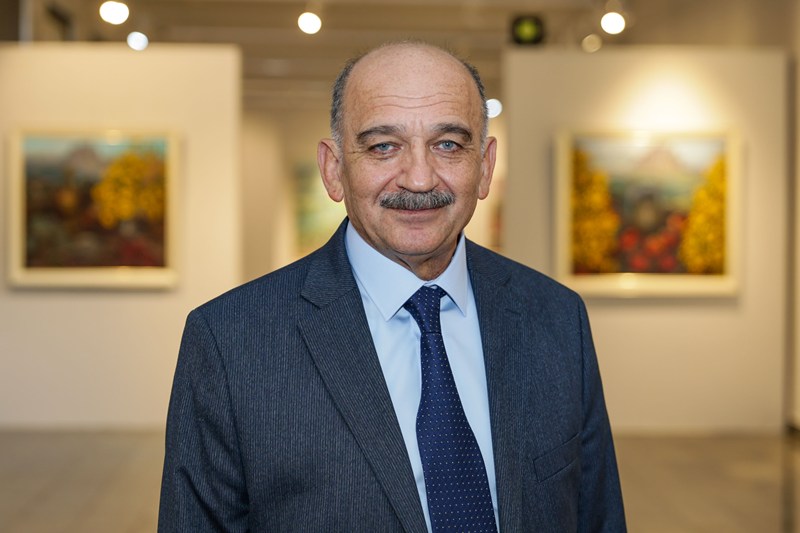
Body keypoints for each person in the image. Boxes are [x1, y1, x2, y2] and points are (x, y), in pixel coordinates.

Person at [158, 41, 626, 532]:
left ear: (485, 167)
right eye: (383, 146)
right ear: (333, 170)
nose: (419, 179)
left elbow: (598, 517)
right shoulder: (230, 341)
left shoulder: (556, 317)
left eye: (448, 144)